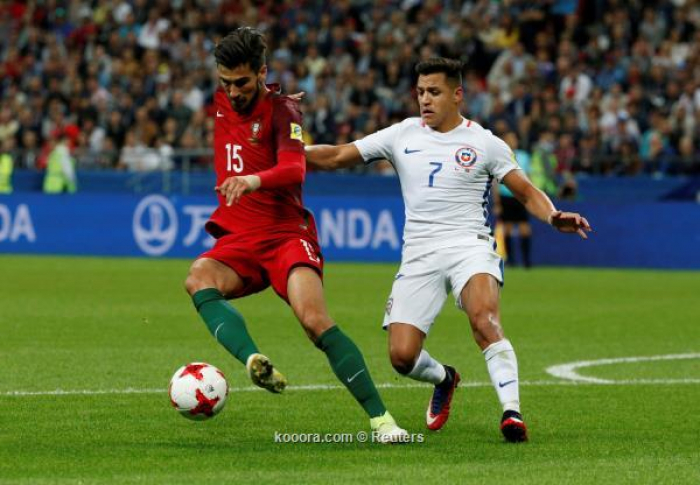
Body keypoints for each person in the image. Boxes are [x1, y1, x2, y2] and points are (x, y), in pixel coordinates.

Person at [306, 57, 591, 442]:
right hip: (419, 254)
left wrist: (553, 215)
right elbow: (337, 155)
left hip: (468, 246)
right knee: (402, 357)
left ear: (457, 95)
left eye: (434, 92)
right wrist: (288, 152)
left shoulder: (485, 143)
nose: (425, 99)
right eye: (421, 92)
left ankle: (512, 413)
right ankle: (445, 378)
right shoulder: (401, 134)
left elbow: (523, 190)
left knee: (484, 320)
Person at [183, 27, 408, 443]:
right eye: (225, 83)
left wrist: (251, 179)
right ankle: (254, 360)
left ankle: (382, 421)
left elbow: (293, 168)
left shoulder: (284, 111)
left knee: (314, 320)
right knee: (198, 278)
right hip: (241, 237)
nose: (232, 92)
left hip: (287, 234)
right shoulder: (223, 101)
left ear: (262, 73)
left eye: (242, 83)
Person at [492, 132, 533, 267]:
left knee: (524, 228)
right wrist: (497, 202)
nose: (511, 141)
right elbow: (495, 182)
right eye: (508, 139)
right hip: (506, 196)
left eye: (513, 138)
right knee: (507, 228)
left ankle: (527, 262)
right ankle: (512, 261)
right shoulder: (499, 156)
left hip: (520, 196)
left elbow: (529, 177)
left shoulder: (524, 156)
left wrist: (530, 197)